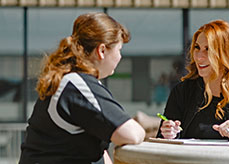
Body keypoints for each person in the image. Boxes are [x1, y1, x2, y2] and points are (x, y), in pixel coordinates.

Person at [19, 12, 145, 164]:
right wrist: (141, 130)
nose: (120, 57)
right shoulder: (76, 85)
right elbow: (131, 134)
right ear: (102, 51)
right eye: (119, 50)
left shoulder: (70, 81)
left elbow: (97, 148)